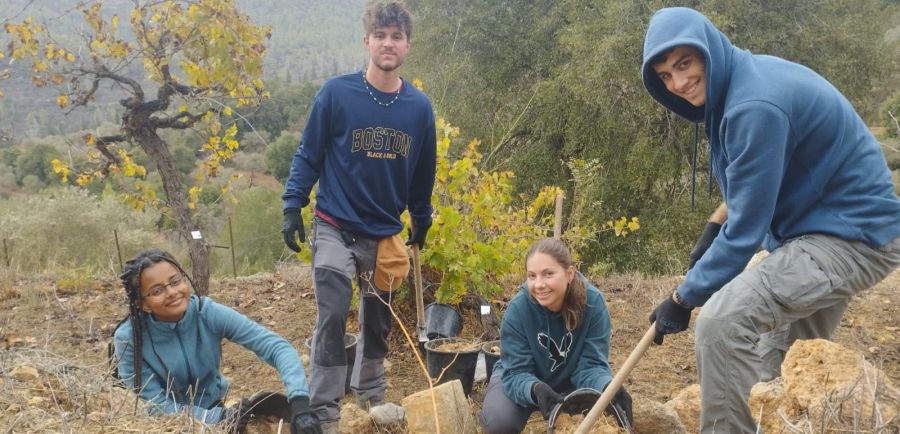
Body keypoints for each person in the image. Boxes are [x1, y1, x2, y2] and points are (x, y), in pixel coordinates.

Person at [641, 7, 900, 433]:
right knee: (776, 367)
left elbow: (744, 232)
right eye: (666, 76)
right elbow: (753, 182)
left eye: (684, 63)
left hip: (851, 237)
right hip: (830, 229)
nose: (679, 83)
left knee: (720, 324)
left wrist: (683, 299)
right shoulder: (742, 82)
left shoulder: (753, 105)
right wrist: (712, 227)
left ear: (708, 50)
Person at [280, 1, 436, 431]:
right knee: (332, 311)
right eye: (380, 35)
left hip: (385, 233)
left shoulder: (419, 108)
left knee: (378, 317)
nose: (388, 43)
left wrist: (421, 218)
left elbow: (424, 172)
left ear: (407, 45)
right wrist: (293, 204)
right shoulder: (337, 93)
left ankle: (370, 396)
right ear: (367, 40)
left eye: (397, 36)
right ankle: (324, 408)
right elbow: (309, 153)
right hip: (334, 224)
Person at [113, 249, 321, 434]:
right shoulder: (129, 339)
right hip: (168, 425)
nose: (172, 293)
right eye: (157, 291)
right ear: (143, 304)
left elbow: (276, 347)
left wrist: (300, 401)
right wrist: (218, 420)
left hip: (217, 406)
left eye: (175, 281)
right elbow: (156, 406)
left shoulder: (207, 312)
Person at [479, 238, 633, 433]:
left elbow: (591, 366)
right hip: (521, 379)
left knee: (604, 418)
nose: (539, 284)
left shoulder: (593, 304)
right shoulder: (518, 309)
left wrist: (609, 387)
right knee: (499, 421)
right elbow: (516, 371)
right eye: (531, 276)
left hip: (571, 382)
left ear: (569, 274)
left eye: (548, 274)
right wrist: (534, 389)